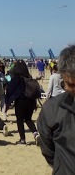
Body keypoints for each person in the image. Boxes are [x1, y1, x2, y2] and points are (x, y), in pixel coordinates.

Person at [37, 44, 75, 174]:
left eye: (71, 85)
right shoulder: (51, 110)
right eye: (66, 83)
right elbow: (49, 151)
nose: (67, 88)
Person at [6, 60, 38, 145]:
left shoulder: (17, 78)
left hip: (21, 101)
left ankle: (22, 139)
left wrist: (8, 101)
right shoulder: (29, 76)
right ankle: (35, 134)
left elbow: (10, 88)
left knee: (20, 120)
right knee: (28, 119)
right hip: (31, 101)